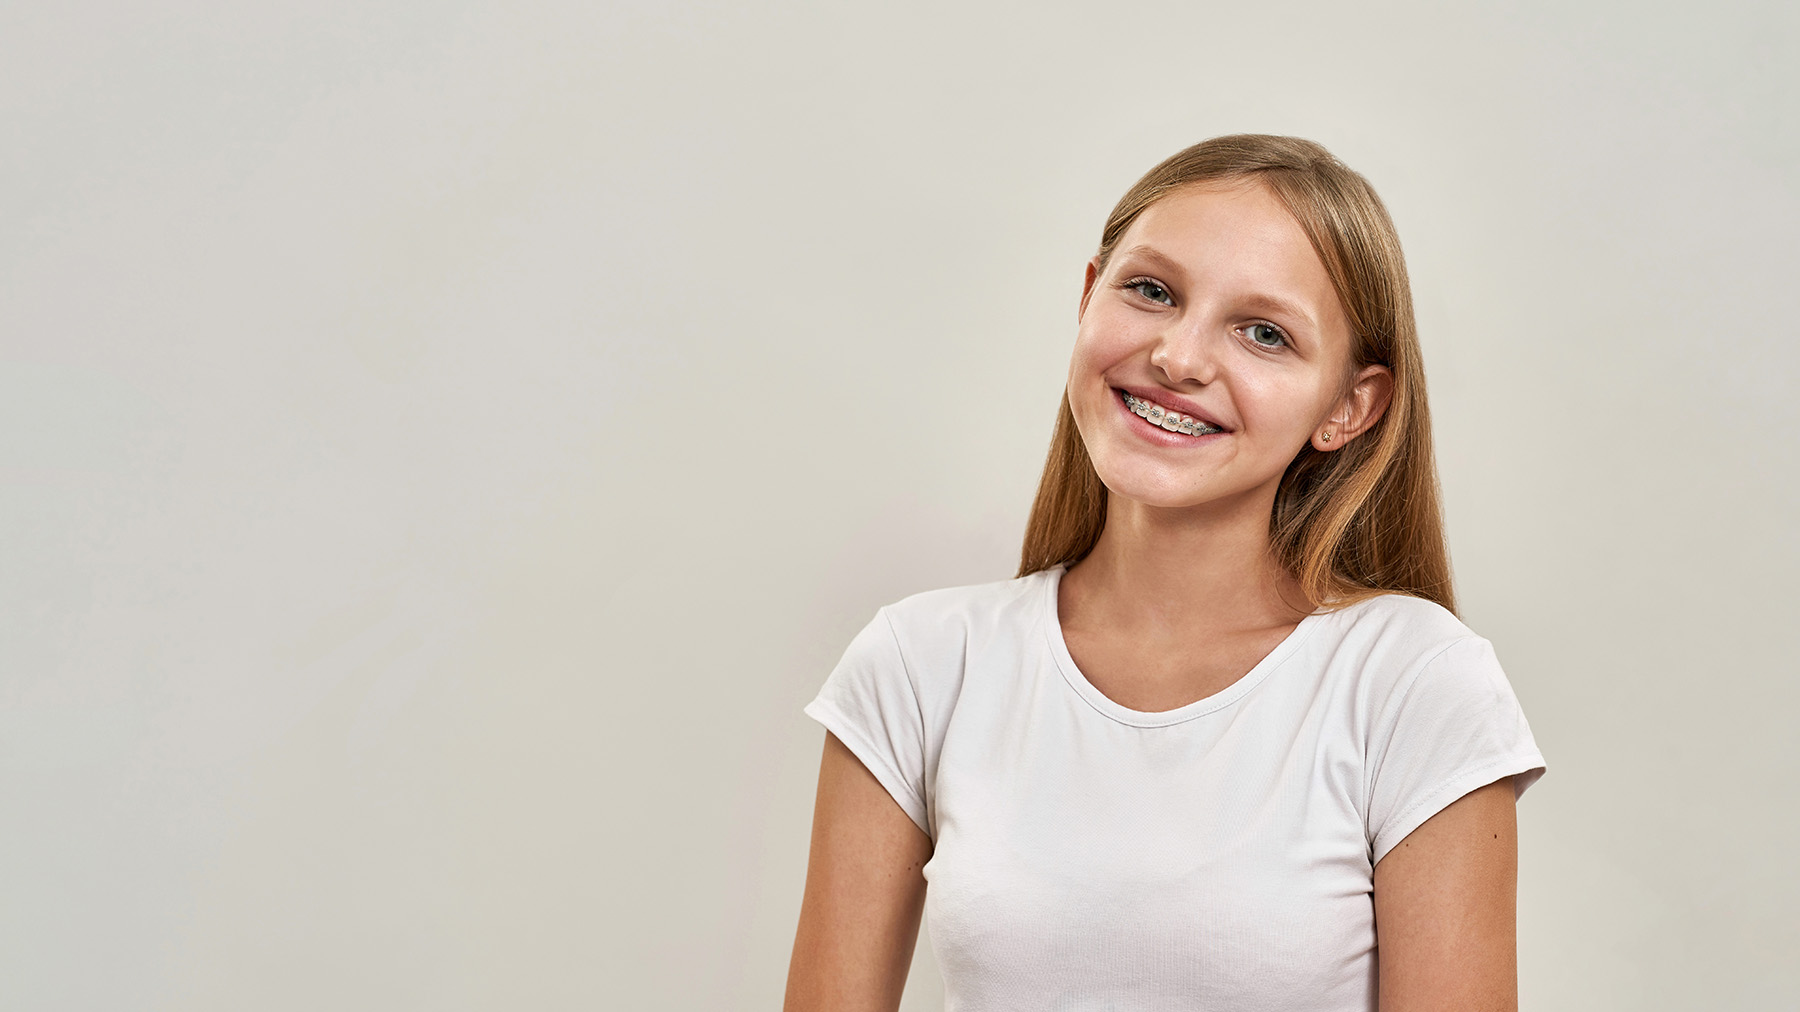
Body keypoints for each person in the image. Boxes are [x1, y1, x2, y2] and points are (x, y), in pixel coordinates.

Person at [783, 134, 1546, 1012]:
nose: (1180, 358)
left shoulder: (1414, 684)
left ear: (1348, 406)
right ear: (1087, 297)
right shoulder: (918, 666)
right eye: (1151, 290)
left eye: (1265, 333)